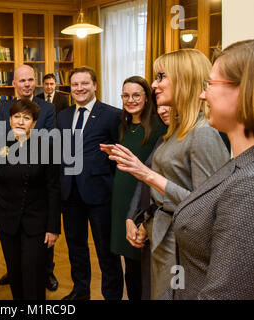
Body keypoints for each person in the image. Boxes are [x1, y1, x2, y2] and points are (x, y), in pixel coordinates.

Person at [101, 49, 230, 299]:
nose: (155, 85)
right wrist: (144, 220)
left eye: (161, 76)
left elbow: (207, 209)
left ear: (184, 79)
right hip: (163, 243)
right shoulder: (177, 131)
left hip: (184, 253)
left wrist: (146, 174)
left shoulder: (202, 132)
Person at [172, 39, 254, 299]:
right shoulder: (239, 165)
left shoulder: (247, 185)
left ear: (244, 91)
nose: (202, 94)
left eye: (211, 84)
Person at [0, 99, 61, 300]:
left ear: (34, 124)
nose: (20, 121)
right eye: (16, 117)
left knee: (33, 274)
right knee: (15, 273)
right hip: (7, 221)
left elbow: (54, 189)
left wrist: (53, 227)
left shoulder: (47, 147)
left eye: (26, 118)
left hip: (36, 223)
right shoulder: (2, 147)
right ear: (10, 120)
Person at [57, 66, 122, 300]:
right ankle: (80, 290)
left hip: (100, 195)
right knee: (76, 247)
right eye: (75, 85)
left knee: (106, 250)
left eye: (85, 83)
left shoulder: (112, 115)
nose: (79, 88)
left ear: (95, 85)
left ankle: (111, 295)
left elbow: (120, 155)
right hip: (70, 194)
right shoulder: (63, 116)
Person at [0, 64, 59, 291]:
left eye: (30, 80)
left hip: (39, 172)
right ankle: (16, 271)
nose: (27, 84)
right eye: (22, 81)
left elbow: (50, 139)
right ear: (14, 83)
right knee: (16, 247)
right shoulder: (4, 107)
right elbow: (1, 137)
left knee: (40, 240)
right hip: (11, 169)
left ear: (36, 81)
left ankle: (46, 272)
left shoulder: (47, 107)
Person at [109, 76, 167, 300]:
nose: (130, 100)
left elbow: (156, 166)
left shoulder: (158, 126)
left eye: (136, 95)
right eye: (126, 95)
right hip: (121, 200)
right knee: (129, 267)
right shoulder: (121, 125)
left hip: (144, 199)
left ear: (147, 97)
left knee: (143, 266)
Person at [125, 104, 171, 300]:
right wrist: (131, 219)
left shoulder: (202, 135)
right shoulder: (165, 138)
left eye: (168, 105)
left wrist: (147, 222)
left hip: (172, 241)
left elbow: (200, 199)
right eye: (160, 106)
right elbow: (143, 180)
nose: (162, 111)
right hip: (150, 229)